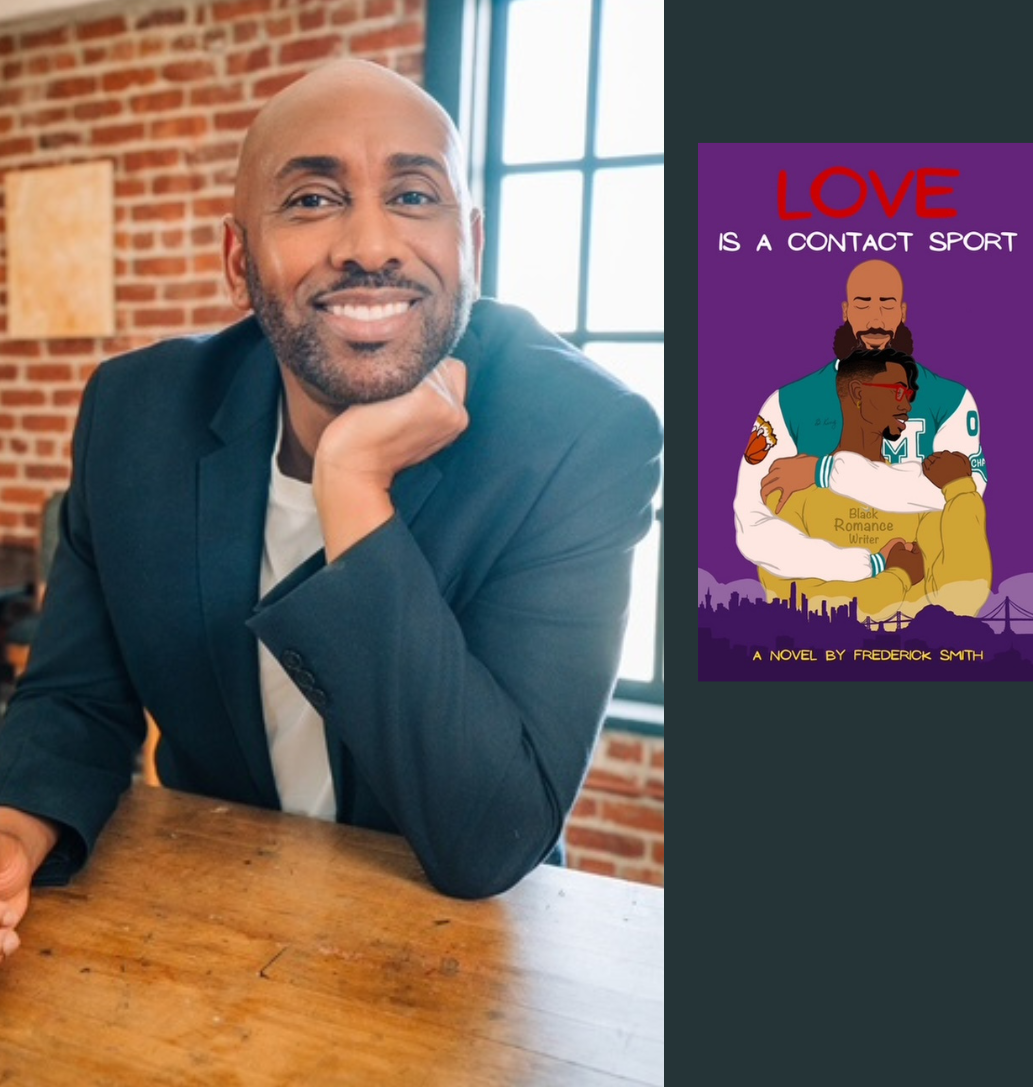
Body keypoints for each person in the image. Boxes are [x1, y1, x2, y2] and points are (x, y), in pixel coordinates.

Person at [0, 59, 662, 960]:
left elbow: (490, 836)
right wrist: (18, 828)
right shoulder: (136, 415)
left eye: (415, 196)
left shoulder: (580, 439)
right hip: (213, 917)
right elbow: (74, 701)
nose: (372, 243)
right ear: (240, 260)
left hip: (460, 950)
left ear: (471, 242)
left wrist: (349, 488)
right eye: (312, 200)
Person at [734, 259, 986, 584]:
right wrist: (871, 567)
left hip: (927, 597)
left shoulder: (952, 400)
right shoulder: (786, 404)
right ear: (846, 311)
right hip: (818, 607)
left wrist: (822, 471)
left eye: (887, 304)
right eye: (863, 304)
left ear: (903, 312)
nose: (876, 320)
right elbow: (753, 524)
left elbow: (962, 495)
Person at [757, 347, 992, 622]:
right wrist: (899, 577)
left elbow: (962, 600)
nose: (906, 406)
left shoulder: (921, 492)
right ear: (858, 393)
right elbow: (802, 610)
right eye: (897, 391)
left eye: (909, 394)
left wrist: (961, 490)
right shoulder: (791, 495)